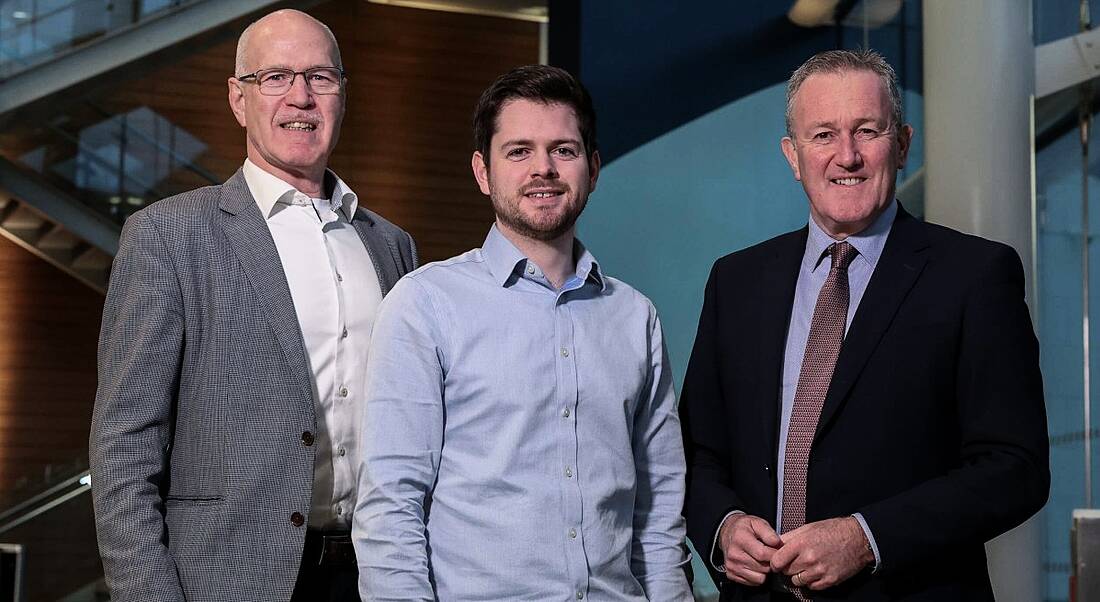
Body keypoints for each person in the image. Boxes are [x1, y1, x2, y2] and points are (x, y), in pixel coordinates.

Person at [680, 49, 1049, 601]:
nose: (846, 156)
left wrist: (866, 537)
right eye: (823, 135)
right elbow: (696, 451)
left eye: (866, 131)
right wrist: (722, 526)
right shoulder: (736, 281)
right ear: (793, 154)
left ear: (901, 144)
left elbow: (1014, 467)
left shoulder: (974, 276)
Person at [89, 9, 416, 601]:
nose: (301, 97)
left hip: (374, 575)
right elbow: (124, 443)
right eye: (275, 78)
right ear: (238, 100)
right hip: (225, 580)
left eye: (321, 77)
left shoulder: (390, 245)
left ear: (343, 95)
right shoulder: (170, 234)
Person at [352, 65, 693, 601]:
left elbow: (659, 508)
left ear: (593, 167)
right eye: (518, 151)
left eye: (564, 149)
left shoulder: (635, 317)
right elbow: (391, 507)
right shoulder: (425, 305)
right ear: (482, 172)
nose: (544, 169)